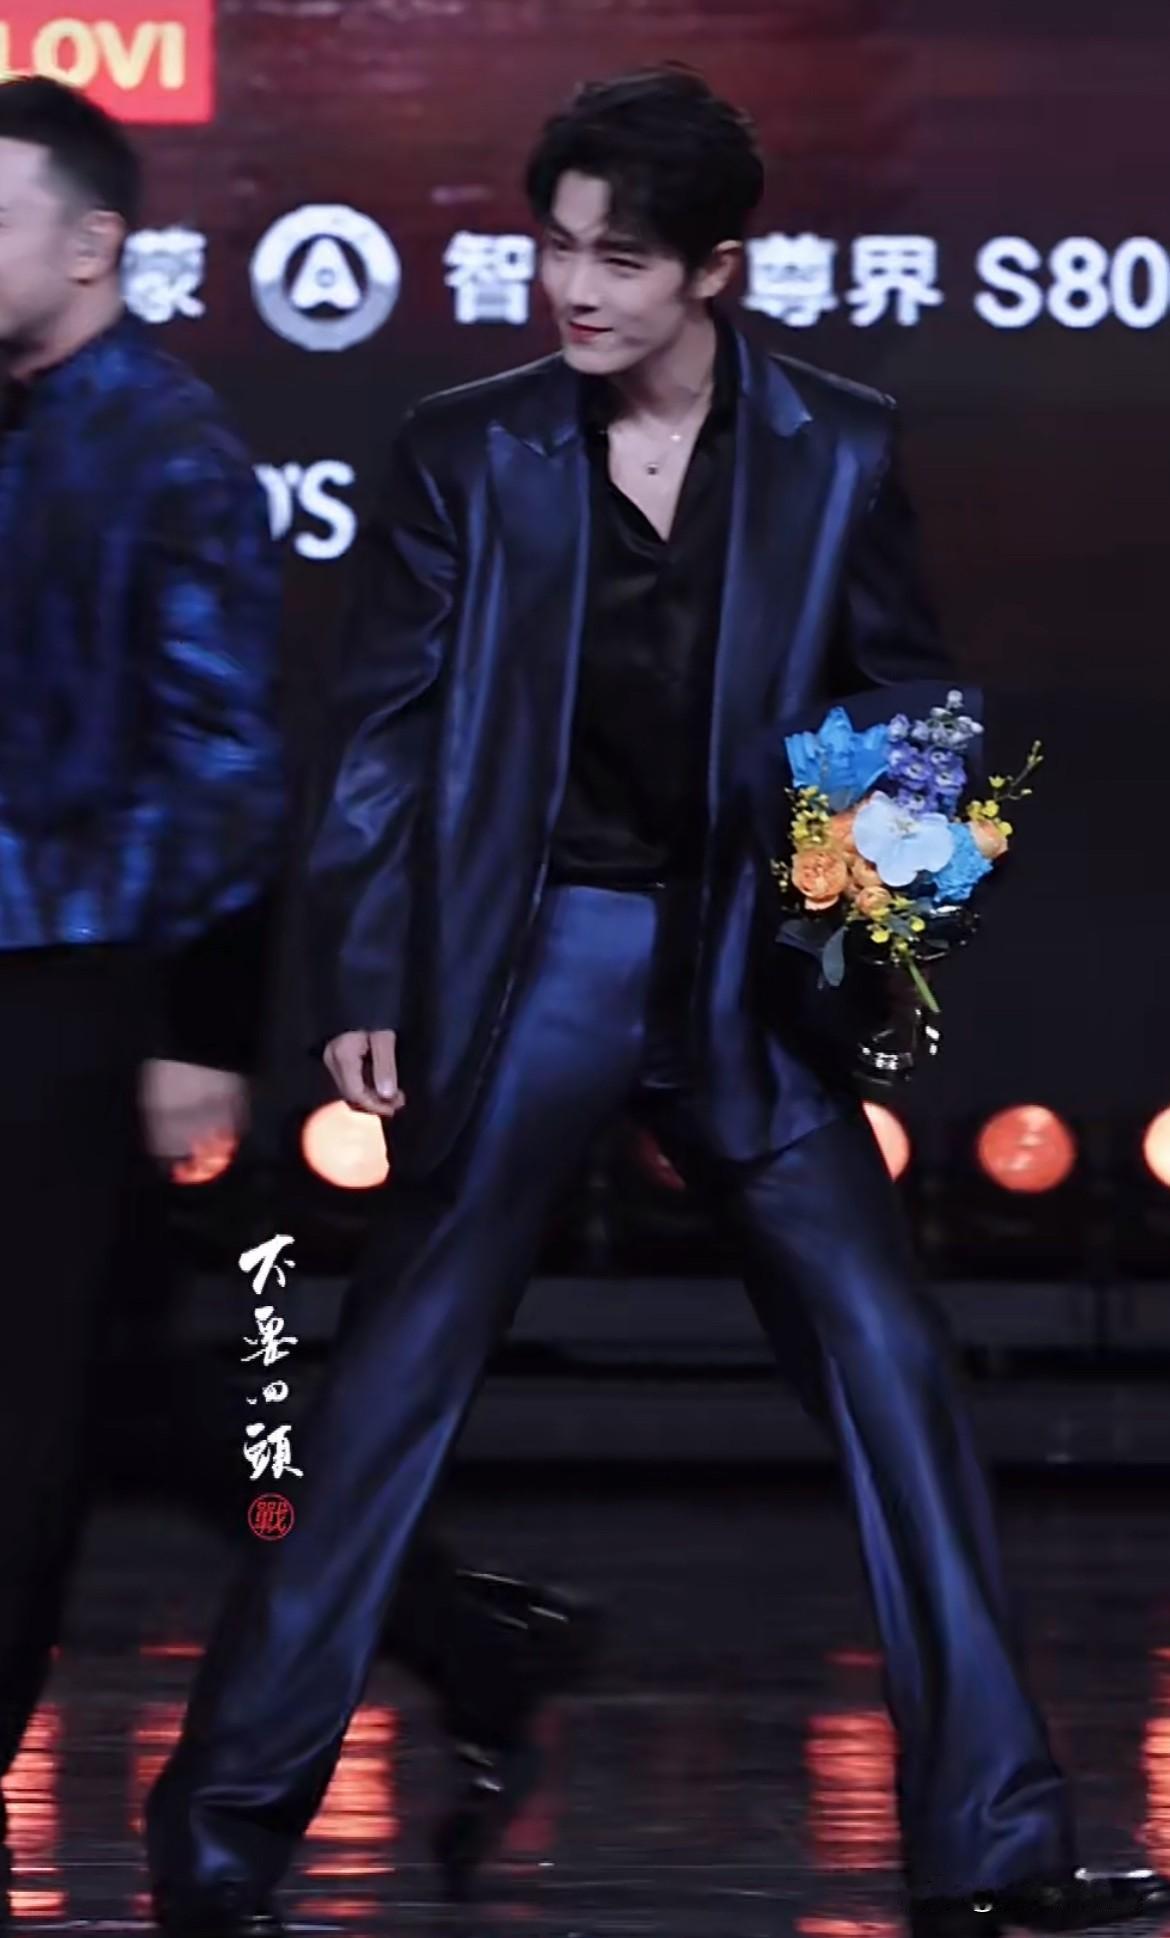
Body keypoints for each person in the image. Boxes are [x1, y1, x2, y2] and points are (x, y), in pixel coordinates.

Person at [145, 65, 1168, 1938]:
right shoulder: (466, 451)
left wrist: (864, 913)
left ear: (713, 268)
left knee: (897, 1378)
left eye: (619, 256)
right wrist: (365, 969)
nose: (573, 286)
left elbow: (908, 699)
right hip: (532, 962)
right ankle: (215, 1847)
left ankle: (999, 1849)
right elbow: (382, 734)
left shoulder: (836, 444)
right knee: (377, 1409)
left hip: (744, 979)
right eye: (555, 246)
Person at [0, 77, 589, 1931]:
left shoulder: (166, 449)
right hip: (22, 968)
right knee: (127, 1396)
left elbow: (235, 770)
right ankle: (473, 1639)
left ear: (92, 244)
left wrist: (197, 1024)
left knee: (31, 1412)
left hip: (81, 985)